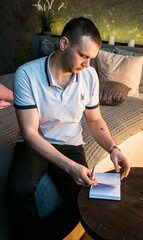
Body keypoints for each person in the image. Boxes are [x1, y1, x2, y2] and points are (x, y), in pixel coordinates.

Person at [5, 17, 130, 240]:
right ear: (64, 44)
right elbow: (30, 133)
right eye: (83, 56)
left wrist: (113, 148)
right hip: (35, 143)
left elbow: (94, 120)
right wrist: (71, 168)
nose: (87, 65)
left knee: (82, 201)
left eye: (91, 58)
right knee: (17, 190)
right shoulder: (27, 74)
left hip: (71, 144)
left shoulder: (89, 76)